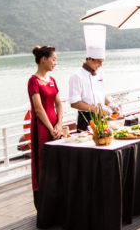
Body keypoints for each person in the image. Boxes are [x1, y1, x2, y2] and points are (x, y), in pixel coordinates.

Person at [28, 45, 63, 208]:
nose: (55, 63)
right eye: (53, 59)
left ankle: (57, 200)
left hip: (55, 127)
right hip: (41, 129)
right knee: (41, 162)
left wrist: (60, 124)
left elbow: (58, 104)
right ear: (43, 59)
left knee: (57, 161)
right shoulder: (33, 81)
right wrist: (51, 128)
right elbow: (38, 108)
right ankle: (42, 204)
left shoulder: (52, 80)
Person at [69, 25, 118, 132]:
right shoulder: (77, 76)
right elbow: (74, 103)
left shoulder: (100, 73)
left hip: (102, 117)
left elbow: (100, 94)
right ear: (90, 59)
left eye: (102, 62)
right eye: (99, 62)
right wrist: (96, 109)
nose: (101, 65)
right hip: (86, 118)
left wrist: (110, 104)